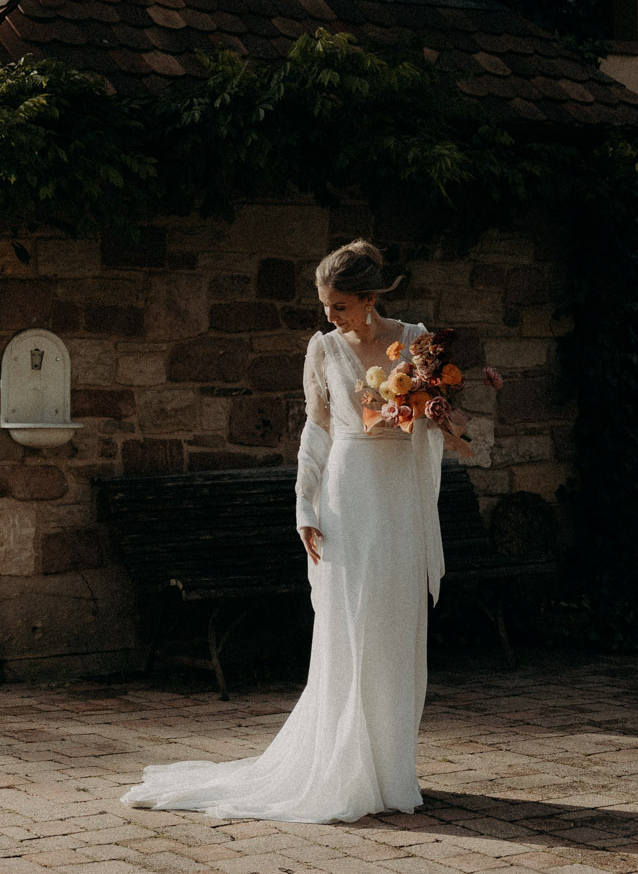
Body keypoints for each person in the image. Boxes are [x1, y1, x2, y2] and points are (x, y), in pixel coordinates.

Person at [122, 239, 471, 824]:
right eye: (323, 304)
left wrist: (428, 412)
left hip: (398, 503)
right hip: (346, 499)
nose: (328, 315)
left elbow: (440, 419)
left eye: (338, 305)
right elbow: (317, 432)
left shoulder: (416, 341)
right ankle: (343, 769)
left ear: (368, 298)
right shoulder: (322, 349)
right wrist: (304, 507)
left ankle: (390, 773)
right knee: (346, 631)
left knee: (392, 629)